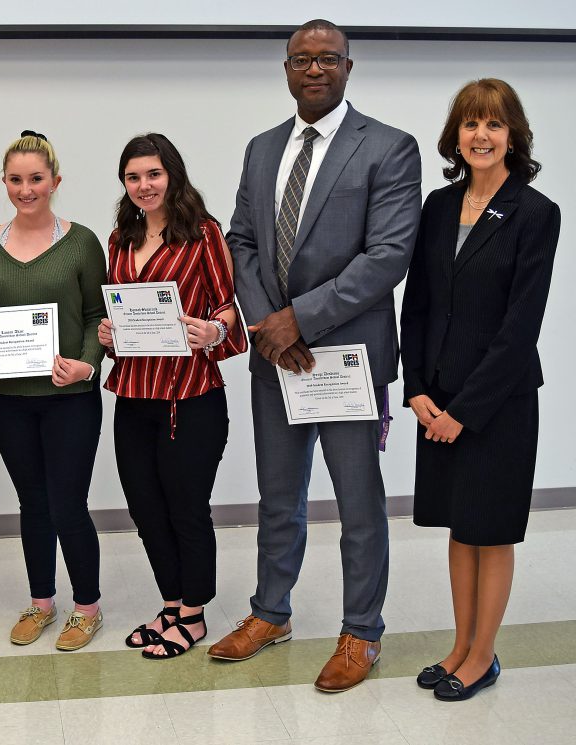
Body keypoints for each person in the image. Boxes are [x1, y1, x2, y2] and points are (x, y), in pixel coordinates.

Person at [214, 19, 422, 692]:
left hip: (347, 359)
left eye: (327, 59)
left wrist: (297, 318)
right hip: (276, 360)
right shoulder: (261, 148)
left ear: (348, 67)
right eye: (302, 59)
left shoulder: (390, 148)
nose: (314, 68)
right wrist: (267, 325)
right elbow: (241, 240)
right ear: (285, 68)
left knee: (358, 505)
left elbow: (388, 255)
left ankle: (362, 631)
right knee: (279, 497)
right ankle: (270, 612)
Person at [400, 79, 559, 702]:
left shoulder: (535, 212)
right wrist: (415, 390)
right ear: (456, 136)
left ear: (513, 135)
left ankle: (484, 655)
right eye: (470, 124)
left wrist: (464, 413)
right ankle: (460, 646)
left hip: (497, 407)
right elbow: (416, 307)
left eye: (494, 124)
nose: (481, 136)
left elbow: (522, 328)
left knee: (490, 532)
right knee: (458, 529)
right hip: (436, 401)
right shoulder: (438, 206)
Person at [97, 133, 248, 659]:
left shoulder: (203, 234)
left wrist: (215, 329)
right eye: (134, 176)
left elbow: (232, 304)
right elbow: (117, 311)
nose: (144, 185)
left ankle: (195, 613)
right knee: (145, 508)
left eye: (153, 174)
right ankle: (170, 601)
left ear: (173, 176)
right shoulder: (119, 239)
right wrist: (107, 334)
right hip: (134, 394)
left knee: (186, 507)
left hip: (191, 398)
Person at [0, 131, 108, 651]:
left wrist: (87, 366)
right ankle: (42, 602)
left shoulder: (82, 242)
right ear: (5, 182)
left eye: (36, 179)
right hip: (9, 402)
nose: (26, 189)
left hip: (70, 400)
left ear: (55, 181)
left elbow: (97, 316)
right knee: (32, 502)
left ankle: (86, 607)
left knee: (68, 503)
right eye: (16, 180)